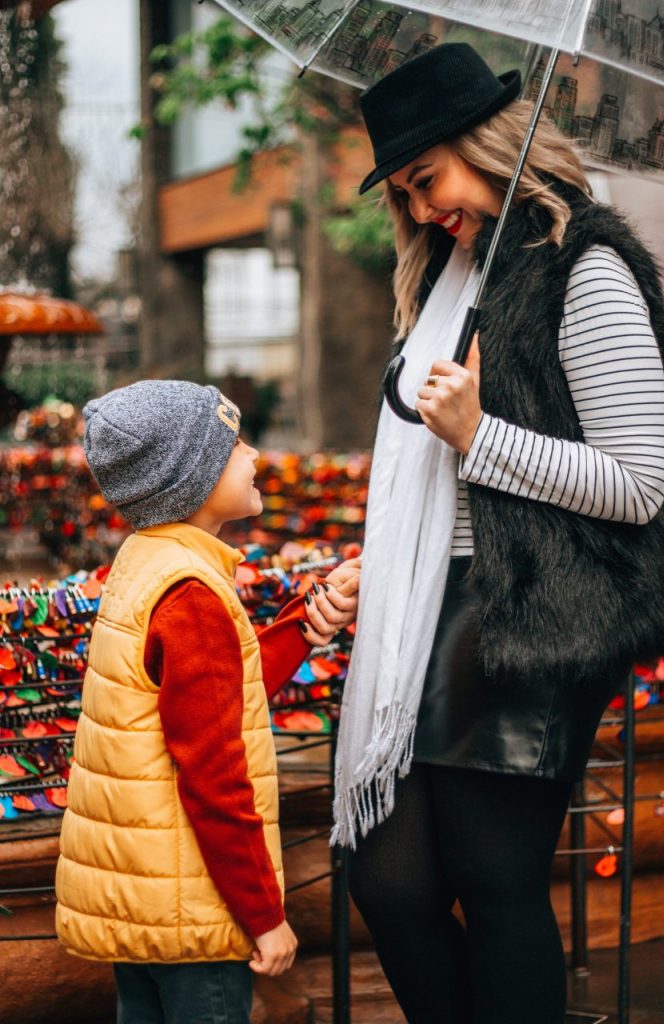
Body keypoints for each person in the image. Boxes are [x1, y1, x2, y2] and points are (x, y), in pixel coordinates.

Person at [332, 43, 664, 1024]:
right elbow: (424, 482)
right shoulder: (448, 285)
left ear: (485, 146)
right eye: (402, 191)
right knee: (388, 884)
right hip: (435, 610)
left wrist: (481, 436)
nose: (419, 207)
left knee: (496, 885)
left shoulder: (588, 263)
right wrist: (375, 574)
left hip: (533, 613)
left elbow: (635, 485)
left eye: (424, 178)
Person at [55, 380, 360, 1024]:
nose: (253, 454)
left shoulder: (147, 563)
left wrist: (305, 620)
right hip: (194, 910)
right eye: (233, 444)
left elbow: (221, 692)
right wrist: (264, 914)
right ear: (188, 480)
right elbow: (215, 775)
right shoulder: (192, 596)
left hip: (146, 900)